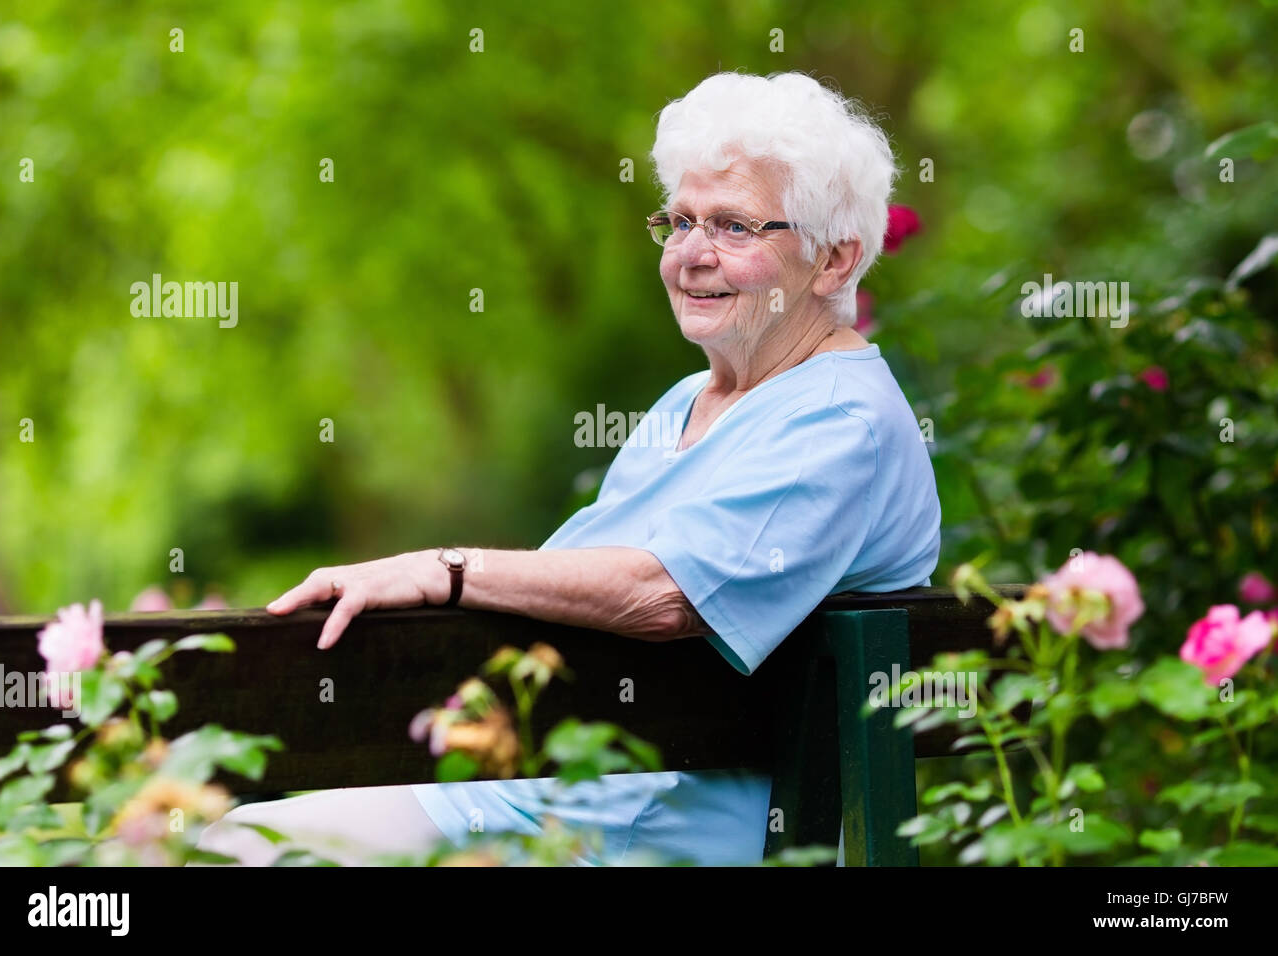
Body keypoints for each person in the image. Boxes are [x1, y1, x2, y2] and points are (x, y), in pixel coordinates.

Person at [196, 70, 941, 867]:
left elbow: (665, 595)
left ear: (834, 260)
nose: (691, 254)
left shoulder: (840, 422)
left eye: (732, 227)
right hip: (542, 794)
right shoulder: (690, 400)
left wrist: (443, 569)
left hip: (634, 834)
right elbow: (572, 584)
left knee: (241, 851)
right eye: (680, 221)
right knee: (223, 841)